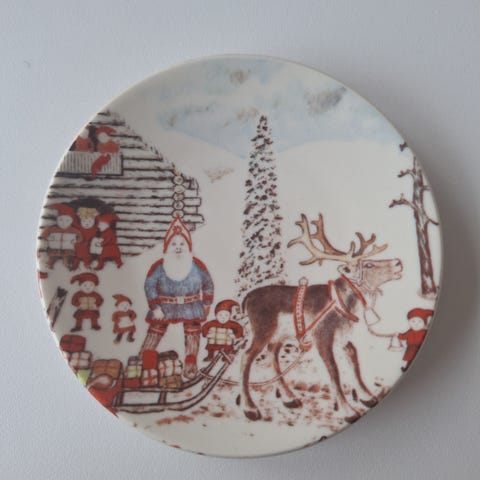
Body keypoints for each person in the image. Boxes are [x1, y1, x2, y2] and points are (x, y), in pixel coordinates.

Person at [140, 217, 214, 379]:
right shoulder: (159, 267)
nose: (178, 247)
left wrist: (206, 303)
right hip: (165, 306)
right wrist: (155, 307)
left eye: (182, 244)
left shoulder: (197, 266)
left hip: (191, 306)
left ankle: (190, 366)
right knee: (155, 332)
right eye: (173, 244)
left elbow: (208, 284)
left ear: (188, 246)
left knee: (193, 334)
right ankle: (143, 364)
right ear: (167, 247)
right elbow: (149, 286)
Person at [41, 203, 82, 270]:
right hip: (54, 248)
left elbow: (80, 237)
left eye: (67, 220)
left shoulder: (73, 230)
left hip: (67, 249)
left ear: (71, 221)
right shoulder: (53, 229)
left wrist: (76, 240)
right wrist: (48, 238)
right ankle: (49, 265)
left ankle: (68, 266)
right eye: (61, 220)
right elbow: (44, 234)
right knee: (52, 258)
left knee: (67, 258)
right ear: (57, 220)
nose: (63, 223)